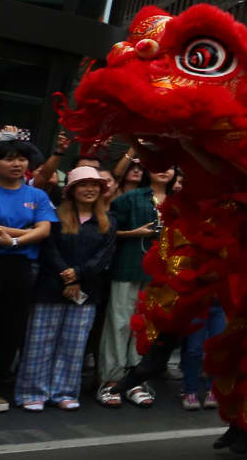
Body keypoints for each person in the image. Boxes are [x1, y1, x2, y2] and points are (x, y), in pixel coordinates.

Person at [13, 165, 115, 411]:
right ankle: (31, 392)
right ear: (71, 190)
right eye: (83, 185)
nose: (90, 190)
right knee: (39, 342)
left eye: (95, 185)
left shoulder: (108, 221)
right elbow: (48, 249)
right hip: (50, 287)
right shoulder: (53, 215)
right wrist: (68, 276)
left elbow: (104, 256)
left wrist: (78, 274)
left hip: (87, 291)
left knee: (74, 344)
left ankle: (64, 392)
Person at [0, 136, 56, 411]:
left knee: (8, 328)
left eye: (21, 159)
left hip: (21, 267)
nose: (17, 164)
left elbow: (45, 231)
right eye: (9, 158)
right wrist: (28, 233)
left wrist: (14, 240)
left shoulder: (37, 196)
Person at [101, 163, 171, 406]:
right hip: (129, 264)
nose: (164, 170)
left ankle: (135, 380)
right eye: (160, 164)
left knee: (146, 326)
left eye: (171, 167)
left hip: (162, 273)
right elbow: (108, 231)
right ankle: (111, 379)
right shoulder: (131, 197)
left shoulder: (179, 201)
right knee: (119, 323)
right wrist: (135, 233)